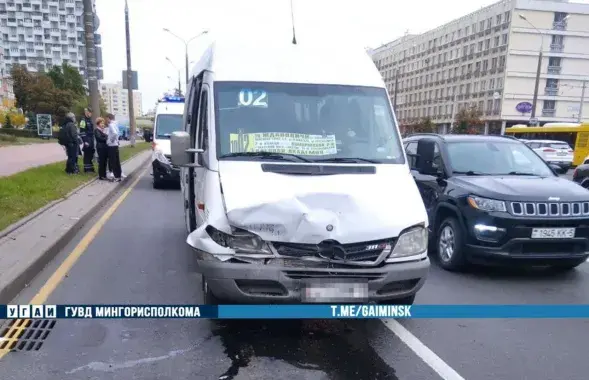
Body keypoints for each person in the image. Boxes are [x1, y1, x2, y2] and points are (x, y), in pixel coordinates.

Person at [106, 113, 122, 182]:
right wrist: (117, 140)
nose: (106, 120)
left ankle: (116, 177)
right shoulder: (115, 125)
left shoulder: (111, 125)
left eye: (106, 118)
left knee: (113, 162)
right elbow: (117, 133)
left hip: (112, 145)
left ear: (109, 118)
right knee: (117, 161)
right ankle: (118, 175)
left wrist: (111, 140)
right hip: (116, 145)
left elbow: (115, 133)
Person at [79, 107, 95, 173]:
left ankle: (91, 168)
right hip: (87, 139)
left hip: (91, 138)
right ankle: (87, 169)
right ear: (86, 112)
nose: (90, 114)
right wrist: (85, 141)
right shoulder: (83, 120)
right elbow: (82, 131)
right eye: (89, 112)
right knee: (87, 154)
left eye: (91, 112)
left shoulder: (90, 120)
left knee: (91, 153)